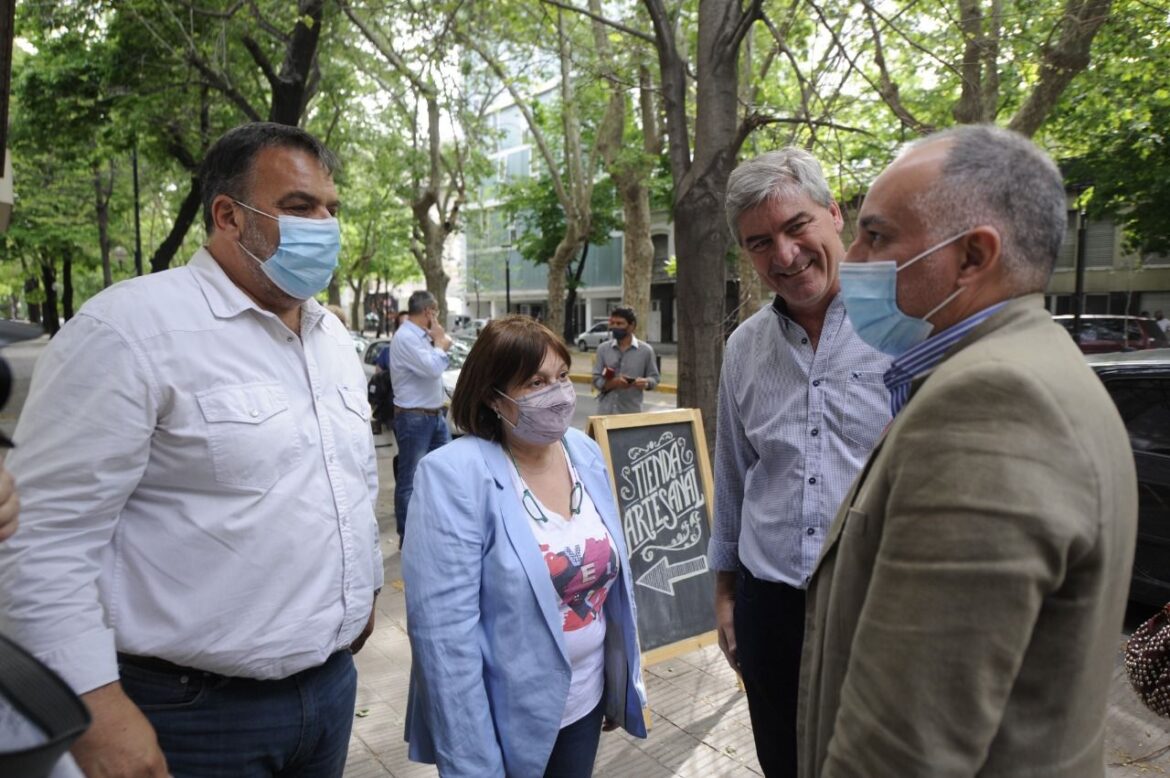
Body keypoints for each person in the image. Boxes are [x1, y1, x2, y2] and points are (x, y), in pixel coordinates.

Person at [0, 122, 382, 777]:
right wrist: (96, 711)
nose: (325, 225)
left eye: (331, 209)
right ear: (229, 216)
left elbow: (344, 482)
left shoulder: (329, 338)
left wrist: (364, 593)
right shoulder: (129, 332)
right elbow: (41, 542)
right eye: (299, 207)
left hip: (328, 692)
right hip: (188, 717)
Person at [798, 125, 1138, 776]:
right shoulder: (1034, 365)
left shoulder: (991, 401)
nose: (852, 257)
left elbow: (901, 751)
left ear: (973, 257)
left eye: (877, 234)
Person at [710, 148, 892, 776]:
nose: (783, 256)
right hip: (770, 607)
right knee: (783, 763)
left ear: (835, 214)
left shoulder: (908, 326)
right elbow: (734, 473)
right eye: (760, 243)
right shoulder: (743, 348)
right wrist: (727, 591)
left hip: (877, 606)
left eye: (796, 227)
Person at [402, 315, 647, 777]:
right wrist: (475, 764)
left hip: (586, 702)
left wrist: (616, 682)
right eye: (535, 382)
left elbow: (614, 586)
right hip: (504, 721)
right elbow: (444, 641)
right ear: (494, 399)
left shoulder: (583, 450)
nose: (557, 393)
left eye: (560, 376)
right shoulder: (453, 475)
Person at [388, 290, 453, 546]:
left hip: (434, 415)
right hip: (414, 418)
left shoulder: (420, 337)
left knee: (444, 473)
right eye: (434, 313)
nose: (436, 319)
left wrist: (437, 342)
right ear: (428, 311)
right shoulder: (406, 337)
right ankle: (408, 536)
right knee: (410, 479)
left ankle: (435, 526)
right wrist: (439, 344)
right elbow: (433, 367)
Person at [591, 305, 660, 414]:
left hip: (631, 414)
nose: (615, 327)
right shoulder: (603, 349)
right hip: (605, 413)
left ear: (632, 326)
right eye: (612, 323)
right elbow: (596, 380)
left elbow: (655, 378)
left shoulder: (646, 351)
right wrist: (614, 383)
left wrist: (646, 383)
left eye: (619, 324)